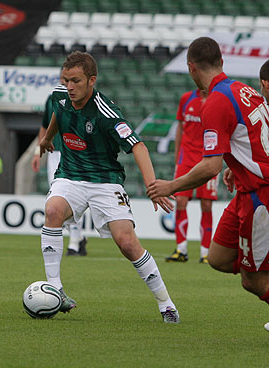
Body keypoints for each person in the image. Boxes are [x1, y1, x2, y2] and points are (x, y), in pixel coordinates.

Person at [38, 51, 180, 323]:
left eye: (76, 81)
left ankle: (166, 304)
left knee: (127, 243)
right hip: (70, 175)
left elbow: (138, 146)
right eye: (66, 80)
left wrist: (152, 184)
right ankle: (56, 290)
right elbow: (58, 113)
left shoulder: (107, 112)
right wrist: (47, 139)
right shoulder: (59, 95)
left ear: (92, 80)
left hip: (105, 180)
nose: (69, 86)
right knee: (53, 210)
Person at [147, 37, 269, 331]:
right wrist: (235, 163)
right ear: (221, 62)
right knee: (218, 257)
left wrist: (171, 186)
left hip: (260, 195)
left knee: (251, 280)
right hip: (245, 191)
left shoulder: (215, 102)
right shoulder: (244, 89)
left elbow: (209, 167)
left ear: (192, 68)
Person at [166, 89, 219, 264]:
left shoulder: (217, 100)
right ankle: (181, 250)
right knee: (180, 201)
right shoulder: (186, 98)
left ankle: (205, 252)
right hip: (186, 158)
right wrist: (177, 157)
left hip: (208, 158)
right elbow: (180, 127)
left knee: (206, 204)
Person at [31, 93, 87, 256]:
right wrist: (37, 152)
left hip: (74, 152)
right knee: (57, 197)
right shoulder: (52, 99)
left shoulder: (83, 99)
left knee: (74, 196)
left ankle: (75, 242)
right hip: (54, 153)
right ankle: (78, 238)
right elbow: (44, 127)